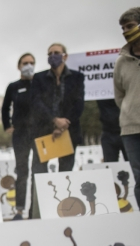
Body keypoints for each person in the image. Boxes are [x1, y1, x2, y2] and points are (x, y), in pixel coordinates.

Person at [30, 43, 84, 174]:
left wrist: (62, 126)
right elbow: (37, 103)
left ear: (64, 56)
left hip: (68, 131)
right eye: (50, 54)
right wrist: (54, 120)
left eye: (56, 53)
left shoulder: (77, 77)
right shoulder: (39, 78)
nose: (52, 56)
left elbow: (79, 104)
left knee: (65, 174)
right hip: (43, 131)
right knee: (39, 173)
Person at [2, 53, 36, 220]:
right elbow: (5, 107)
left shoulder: (40, 83)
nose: (28, 65)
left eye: (31, 63)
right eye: (25, 63)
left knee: (38, 170)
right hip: (20, 134)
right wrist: (7, 125)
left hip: (38, 134)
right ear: (19, 66)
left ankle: (35, 210)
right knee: (22, 172)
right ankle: (20, 210)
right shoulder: (13, 86)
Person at [116, 7, 140, 208]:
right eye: (123, 28)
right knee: (139, 181)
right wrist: (129, 110)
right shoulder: (121, 62)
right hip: (131, 130)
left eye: (130, 26)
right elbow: (119, 96)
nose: (126, 31)